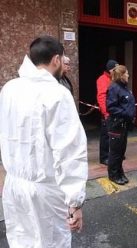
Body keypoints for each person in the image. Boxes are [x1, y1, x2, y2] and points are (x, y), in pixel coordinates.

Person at [0, 36, 88, 247]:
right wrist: (74, 202)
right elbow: (69, 150)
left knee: (21, 240)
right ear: (56, 60)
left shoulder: (9, 89)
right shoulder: (57, 94)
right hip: (45, 191)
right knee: (50, 242)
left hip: (13, 186)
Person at [106, 65, 136, 185]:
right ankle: (113, 174)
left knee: (121, 151)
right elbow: (111, 107)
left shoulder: (124, 88)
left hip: (124, 125)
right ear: (122, 75)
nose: (128, 75)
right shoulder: (114, 88)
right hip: (116, 124)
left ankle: (119, 172)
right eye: (127, 73)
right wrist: (126, 113)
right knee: (115, 152)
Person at [97, 59, 119, 165]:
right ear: (110, 70)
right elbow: (101, 97)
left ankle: (115, 154)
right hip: (108, 113)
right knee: (106, 136)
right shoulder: (102, 80)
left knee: (115, 135)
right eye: (115, 69)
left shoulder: (115, 79)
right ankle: (104, 157)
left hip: (115, 112)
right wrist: (106, 113)